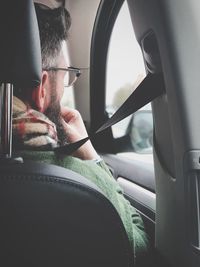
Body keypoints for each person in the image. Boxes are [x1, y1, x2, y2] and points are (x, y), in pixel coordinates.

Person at [12, 2, 149, 266]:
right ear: (41, 88)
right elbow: (138, 246)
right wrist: (92, 159)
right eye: (65, 76)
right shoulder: (78, 180)